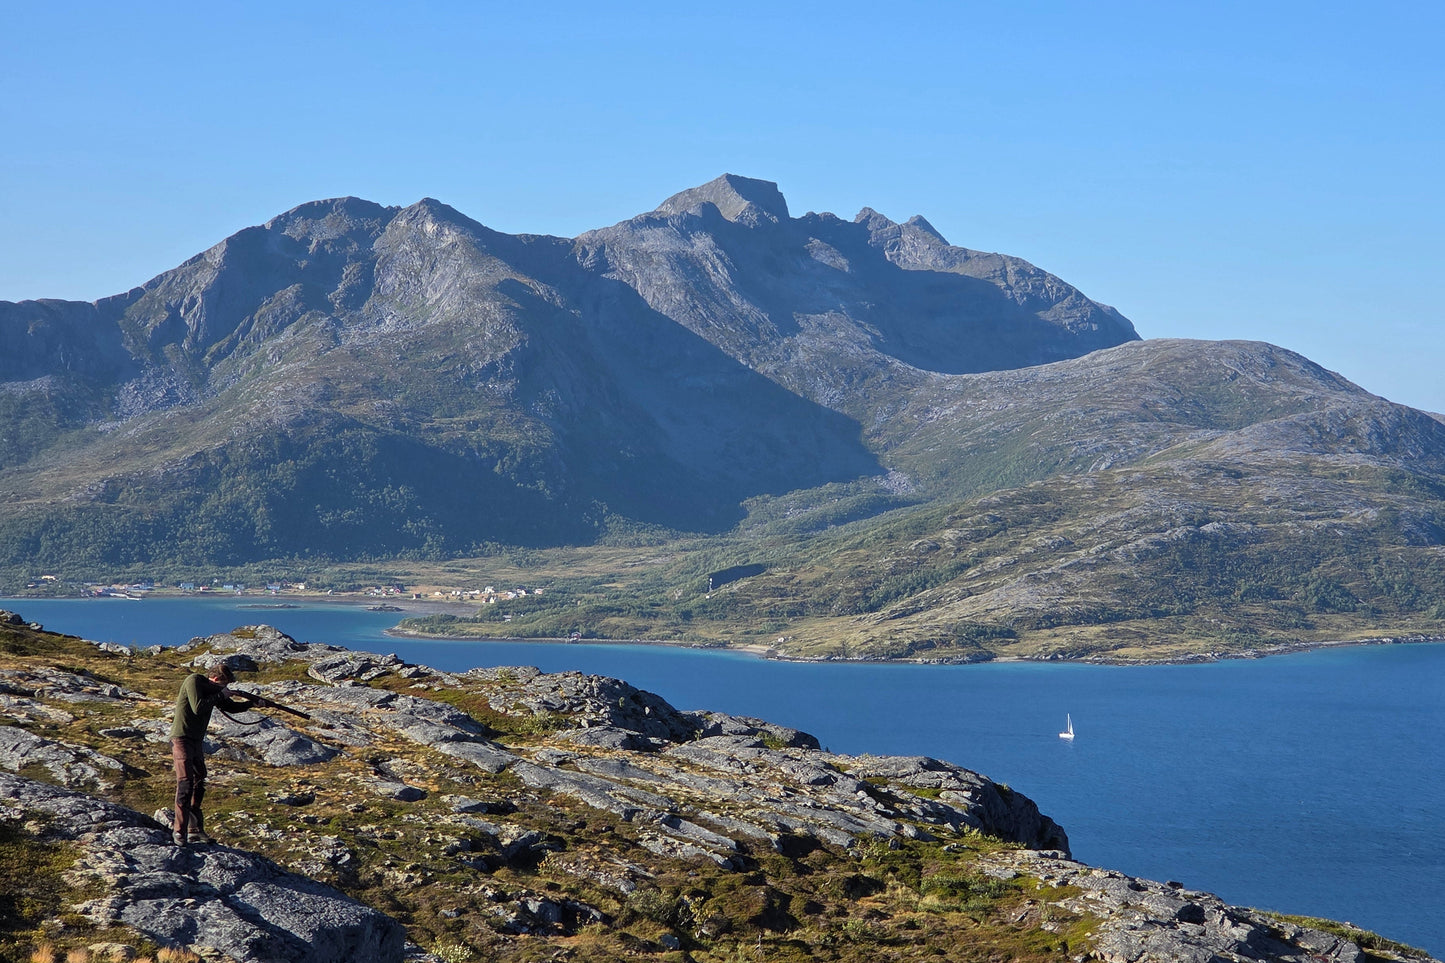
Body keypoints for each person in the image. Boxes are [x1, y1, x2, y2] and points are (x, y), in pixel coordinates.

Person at [170, 663, 255, 846]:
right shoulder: (194, 681)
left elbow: (230, 707)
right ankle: (179, 831)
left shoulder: (214, 690)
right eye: (224, 684)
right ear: (215, 680)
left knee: (199, 781)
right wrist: (220, 695)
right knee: (185, 782)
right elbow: (198, 707)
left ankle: (194, 830)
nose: (226, 688)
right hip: (182, 738)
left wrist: (252, 703)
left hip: (196, 740)